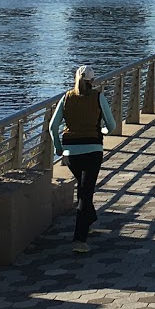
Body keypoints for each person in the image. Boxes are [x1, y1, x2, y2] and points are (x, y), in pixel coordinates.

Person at [48, 65, 117, 254]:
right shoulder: (98, 97)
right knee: (85, 194)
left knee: (84, 189)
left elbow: (53, 127)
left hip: (71, 154)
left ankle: (89, 218)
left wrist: (59, 148)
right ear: (92, 81)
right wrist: (102, 132)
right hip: (93, 151)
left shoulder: (66, 98)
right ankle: (79, 239)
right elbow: (111, 125)